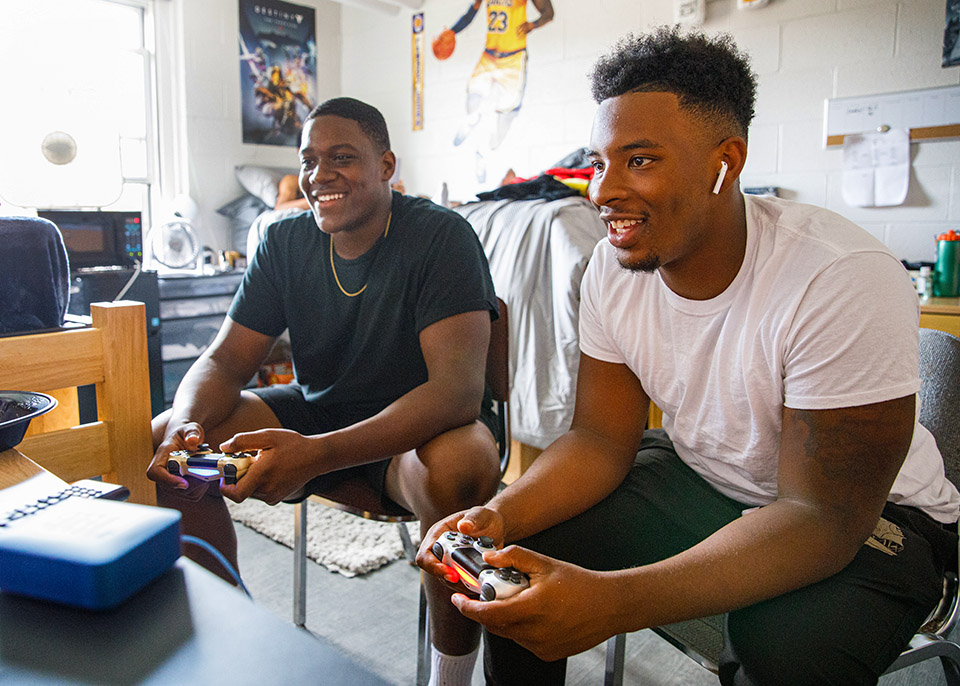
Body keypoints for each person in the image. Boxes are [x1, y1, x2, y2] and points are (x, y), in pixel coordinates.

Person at [417, 27, 960, 686]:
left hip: (871, 522)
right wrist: (498, 516)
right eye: (599, 162)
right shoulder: (610, 273)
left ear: (725, 162)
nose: (601, 191)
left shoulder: (838, 276)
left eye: (640, 161)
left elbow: (820, 520)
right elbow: (598, 438)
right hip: (708, 480)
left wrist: (608, 602)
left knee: (780, 649)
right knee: (512, 558)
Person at [148, 97, 502, 686]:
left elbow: (456, 393)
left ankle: (451, 676)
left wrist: (317, 454)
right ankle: (227, 633)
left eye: (343, 156)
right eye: (309, 161)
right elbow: (225, 359)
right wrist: (187, 423)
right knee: (176, 444)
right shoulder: (283, 240)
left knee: (463, 463)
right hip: (317, 414)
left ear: (386, 165)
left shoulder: (441, 235)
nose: (319, 175)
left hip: (413, 436)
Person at [444, 0, 554, 156]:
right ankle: (471, 122)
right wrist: (452, 31)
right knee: (473, 97)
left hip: (513, 57)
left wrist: (533, 25)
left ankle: (489, 150)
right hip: (489, 55)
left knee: (507, 111)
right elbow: (470, 14)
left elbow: (549, 13)